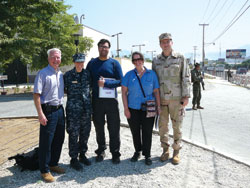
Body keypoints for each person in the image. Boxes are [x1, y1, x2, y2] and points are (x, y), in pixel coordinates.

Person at [152, 33, 191, 165]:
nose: (166, 44)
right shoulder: (156, 60)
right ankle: (165, 150)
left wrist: (186, 96)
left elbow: (186, 77)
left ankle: (176, 151)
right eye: (163, 42)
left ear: (172, 43)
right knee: (163, 126)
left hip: (176, 99)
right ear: (160, 44)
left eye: (168, 41)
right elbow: (154, 80)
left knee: (177, 126)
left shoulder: (180, 58)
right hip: (162, 99)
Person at [86, 39, 123, 164]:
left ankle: (115, 152)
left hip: (111, 101)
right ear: (98, 48)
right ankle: (101, 150)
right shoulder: (92, 64)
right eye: (101, 46)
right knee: (99, 127)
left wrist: (106, 83)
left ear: (109, 48)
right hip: (97, 101)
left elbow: (121, 81)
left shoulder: (114, 63)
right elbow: (87, 80)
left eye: (106, 47)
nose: (103, 49)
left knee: (114, 127)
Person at [121, 52, 160, 165]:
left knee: (147, 132)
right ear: (133, 62)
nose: (137, 61)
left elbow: (156, 91)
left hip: (149, 108)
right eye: (134, 60)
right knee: (135, 132)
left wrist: (158, 107)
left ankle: (147, 155)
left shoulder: (152, 74)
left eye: (139, 59)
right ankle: (137, 151)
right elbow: (124, 92)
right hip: (133, 109)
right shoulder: (129, 75)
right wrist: (126, 108)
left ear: (143, 60)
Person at [33, 48, 65, 182]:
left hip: (60, 110)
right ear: (48, 58)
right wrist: (40, 114)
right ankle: (44, 170)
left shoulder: (61, 74)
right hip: (48, 111)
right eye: (53, 57)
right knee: (46, 141)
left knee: (59, 138)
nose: (56, 59)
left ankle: (53, 163)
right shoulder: (42, 74)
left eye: (58, 57)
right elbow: (36, 95)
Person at [64, 53, 92, 171]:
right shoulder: (68, 75)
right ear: (74, 62)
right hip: (73, 111)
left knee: (85, 133)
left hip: (86, 110)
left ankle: (82, 155)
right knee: (73, 134)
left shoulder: (87, 74)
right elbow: (64, 90)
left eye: (82, 62)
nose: (80, 64)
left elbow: (89, 89)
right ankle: (73, 158)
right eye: (78, 62)